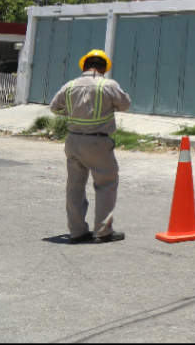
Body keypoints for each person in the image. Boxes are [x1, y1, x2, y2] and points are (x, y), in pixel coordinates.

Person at [50, 49, 131, 244]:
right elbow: (125, 105)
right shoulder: (108, 85)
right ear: (104, 68)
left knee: (75, 186)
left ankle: (77, 231)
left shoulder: (69, 86)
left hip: (73, 140)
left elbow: (54, 107)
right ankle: (103, 231)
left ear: (84, 66)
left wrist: (73, 113)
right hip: (97, 141)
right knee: (106, 184)